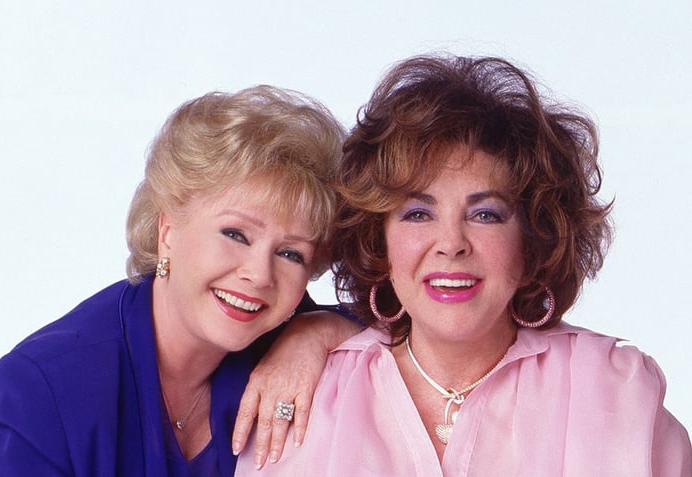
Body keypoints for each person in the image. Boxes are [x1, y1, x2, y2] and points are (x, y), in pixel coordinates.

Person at [236, 55, 692, 475]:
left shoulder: (618, 389)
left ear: (533, 240)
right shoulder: (306, 394)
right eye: (418, 213)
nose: (451, 244)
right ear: (379, 240)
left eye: (485, 214)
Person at [0, 85, 358, 476]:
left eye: (291, 254)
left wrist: (320, 330)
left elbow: (403, 329)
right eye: (235, 234)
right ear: (168, 230)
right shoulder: (38, 391)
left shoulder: (285, 339)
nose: (259, 275)